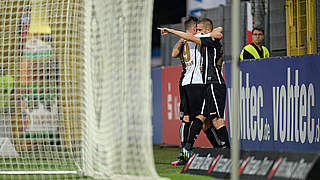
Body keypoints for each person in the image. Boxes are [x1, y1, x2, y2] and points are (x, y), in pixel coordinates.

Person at [159, 18, 230, 163]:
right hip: (203, 83)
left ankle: (225, 150)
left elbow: (219, 32)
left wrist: (171, 31)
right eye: (195, 30)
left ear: (204, 30)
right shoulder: (196, 40)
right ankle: (188, 149)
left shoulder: (208, 39)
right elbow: (174, 53)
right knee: (201, 117)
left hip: (211, 83)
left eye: (199, 30)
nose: (196, 33)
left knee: (212, 119)